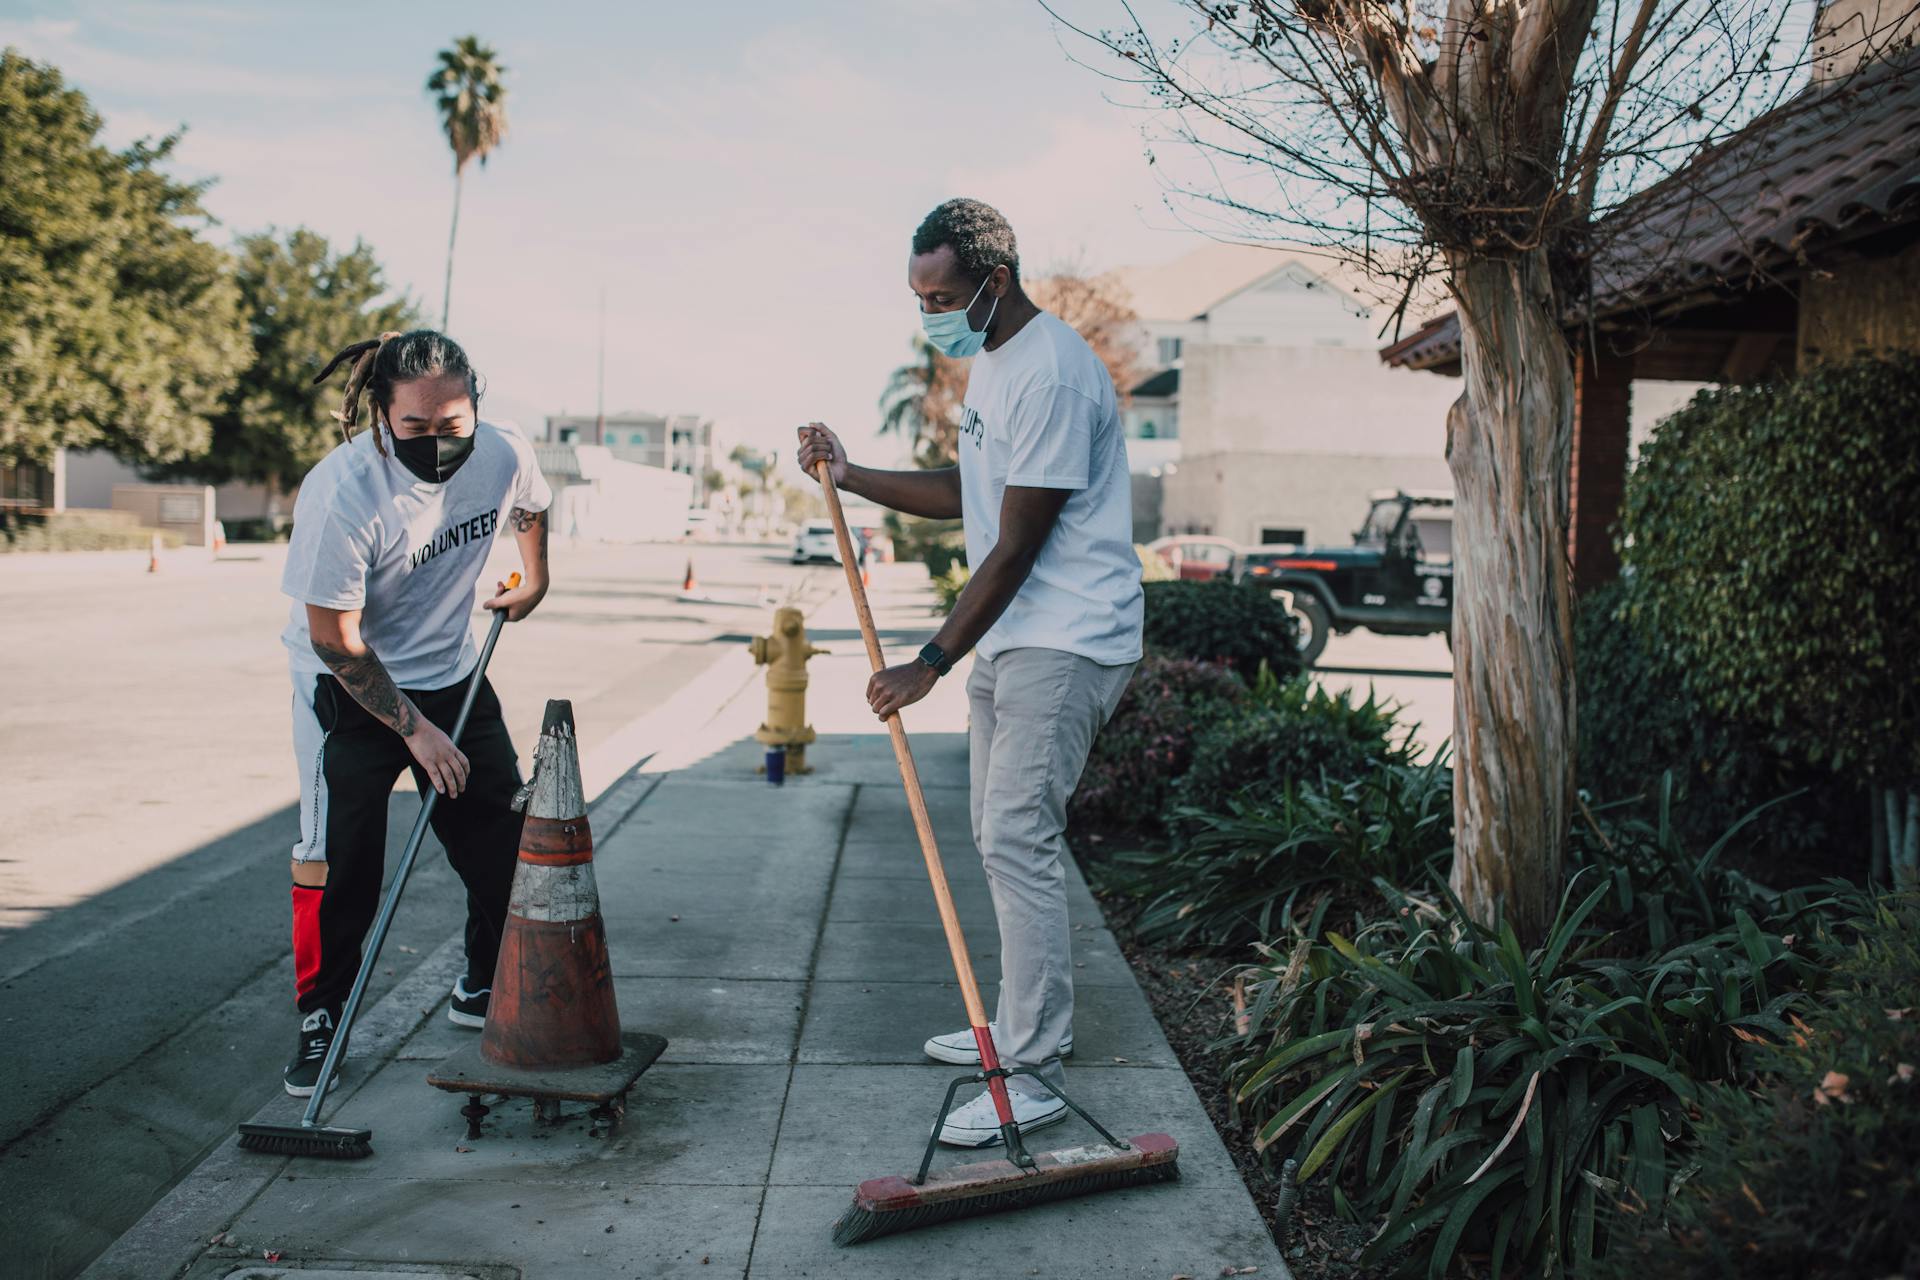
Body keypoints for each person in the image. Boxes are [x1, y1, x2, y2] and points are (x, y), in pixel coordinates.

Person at [797, 198, 1143, 1147]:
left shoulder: (1058, 376)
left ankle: (1031, 1069)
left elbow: (1018, 543)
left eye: (941, 295)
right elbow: (968, 496)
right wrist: (854, 475)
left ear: (995, 280)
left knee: (1019, 837)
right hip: (1016, 638)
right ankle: (1009, 1027)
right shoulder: (996, 364)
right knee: (1000, 840)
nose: (930, 315)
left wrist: (930, 662)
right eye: (918, 297)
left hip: (1067, 639)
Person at [278, 330, 552, 1097]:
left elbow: (530, 505)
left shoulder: (501, 451)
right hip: (348, 687)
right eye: (416, 430)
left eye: (452, 426)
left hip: (453, 674)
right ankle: (321, 1014)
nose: (438, 443)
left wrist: (535, 578)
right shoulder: (343, 493)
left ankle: (479, 980)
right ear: (380, 416)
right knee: (343, 861)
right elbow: (336, 639)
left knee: (498, 842)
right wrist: (416, 731)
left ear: (476, 408)